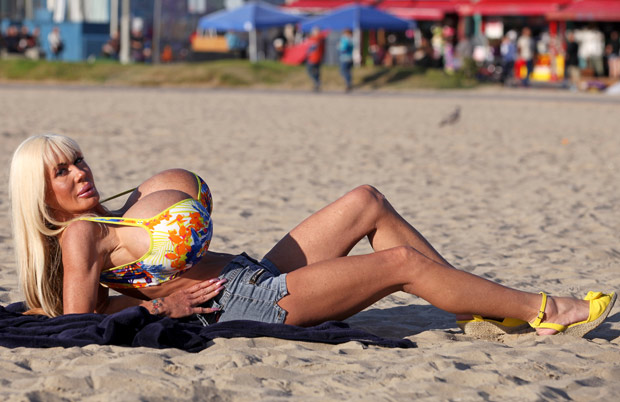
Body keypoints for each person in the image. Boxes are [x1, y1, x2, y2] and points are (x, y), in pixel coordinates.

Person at [8, 134, 615, 338]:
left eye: (79, 160)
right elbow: (80, 327)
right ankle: (544, 310)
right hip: (247, 302)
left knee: (365, 202)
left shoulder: (110, 214)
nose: (80, 173)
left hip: (255, 272)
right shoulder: (80, 235)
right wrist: (164, 305)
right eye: (61, 171)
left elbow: (102, 298)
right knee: (399, 262)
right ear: (40, 192)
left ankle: (472, 305)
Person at [305, 27, 325, 92]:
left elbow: (310, 48)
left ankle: (316, 82)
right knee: (316, 71)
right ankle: (317, 82)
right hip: (319, 57)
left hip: (313, 57)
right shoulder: (322, 39)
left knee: (310, 70)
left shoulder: (314, 39)